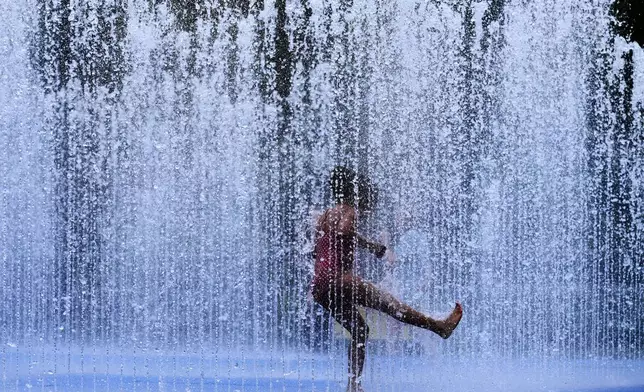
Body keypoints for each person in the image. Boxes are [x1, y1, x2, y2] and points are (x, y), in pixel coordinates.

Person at [311, 166, 463, 392]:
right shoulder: (350, 210)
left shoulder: (326, 214)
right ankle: (439, 327)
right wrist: (371, 245)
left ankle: (353, 385)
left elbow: (319, 248)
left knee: (360, 330)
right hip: (338, 279)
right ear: (358, 195)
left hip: (321, 286)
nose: (371, 206)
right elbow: (344, 231)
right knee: (391, 304)